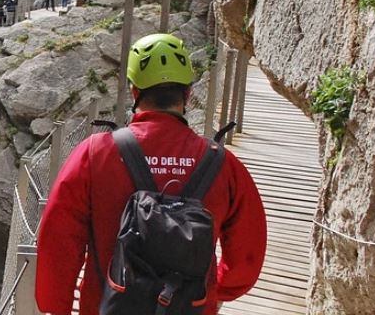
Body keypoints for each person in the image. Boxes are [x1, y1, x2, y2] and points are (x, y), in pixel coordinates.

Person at [35, 33, 266, 315]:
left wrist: (55, 306)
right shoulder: (223, 164)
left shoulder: (94, 154)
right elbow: (248, 254)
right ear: (188, 94)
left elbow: (58, 242)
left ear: (134, 92)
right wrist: (216, 290)